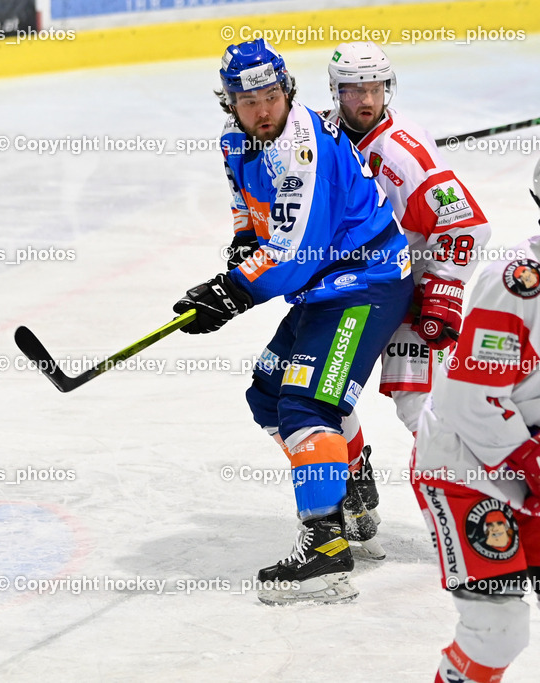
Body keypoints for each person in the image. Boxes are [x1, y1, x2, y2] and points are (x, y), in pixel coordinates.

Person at [175, 39, 413, 604]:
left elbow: (292, 252)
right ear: (229, 103)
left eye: (271, 95)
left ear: (288, 91)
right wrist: (238, 255)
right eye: (248, 99)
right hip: (324, 286)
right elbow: (248, 216)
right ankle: (350, 479)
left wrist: (231, 292)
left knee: (308, 404)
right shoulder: (237, 141)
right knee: (267, 394)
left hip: (366, 281)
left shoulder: (301, 150)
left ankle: (326, 549)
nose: (263, 109)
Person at [319, 42, 492, 548]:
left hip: (408, 295)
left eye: (375, 88)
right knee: (323, 394)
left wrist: (441, 288)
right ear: (337, 92)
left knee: (420, 409)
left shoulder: (402, 155)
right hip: (348, 289)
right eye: (354, 90)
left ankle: (472, 516)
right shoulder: (325, 136)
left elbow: (467, 226)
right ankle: (354, 478)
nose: (366, 99)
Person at [412, 158, 540, 683]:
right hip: (467, 466)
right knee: (498, 628)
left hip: (525, 456)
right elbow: (470, 397)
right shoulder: (518, 283)